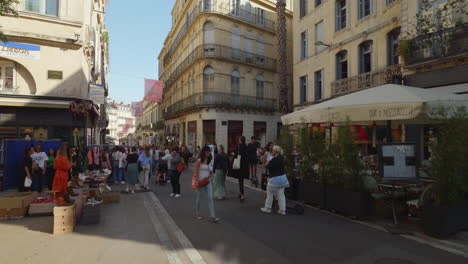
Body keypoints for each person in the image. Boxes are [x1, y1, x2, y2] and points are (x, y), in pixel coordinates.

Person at [261, 145, 289, 215]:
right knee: (281, 194)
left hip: (275, 179)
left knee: (269, 192)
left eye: (273, 151)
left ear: (276, 152)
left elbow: (268, 166)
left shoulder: (274, 159)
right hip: (282, 179)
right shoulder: (281, 158)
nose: (272, 152)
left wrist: (266, 163)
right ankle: (282, 210)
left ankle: (268, 208)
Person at [194, 146, 220, 222]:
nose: (209, 153)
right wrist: (197, 181)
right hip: (200, 182)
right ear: (204, 152)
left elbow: (209, 170)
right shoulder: (199, 161)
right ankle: (198, 213)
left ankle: (213, 216)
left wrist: (211, 172)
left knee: (210, 198)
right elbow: (196, 172)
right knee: (199, 198)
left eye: (209, 152)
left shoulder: (209, 160)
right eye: (208, 152)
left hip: (207, 181)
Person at [231, 136, 249, 202]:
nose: (239, 141)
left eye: (239, 140)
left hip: (240, 165)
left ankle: (242, 195)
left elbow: (237, 155)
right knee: (241, 180)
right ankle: (241, 193)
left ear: (241, 140)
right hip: (245, 165)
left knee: (240, 180)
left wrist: (233, 154)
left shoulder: (239, 147)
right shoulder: (246, 146)